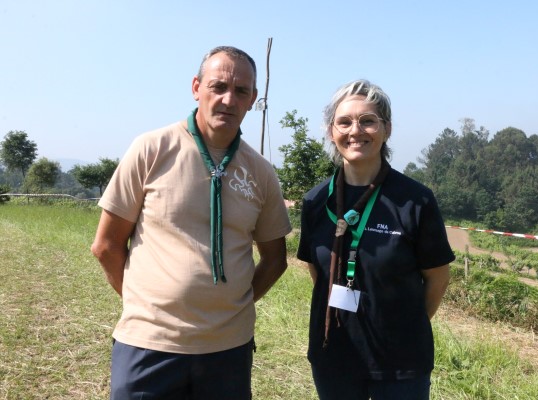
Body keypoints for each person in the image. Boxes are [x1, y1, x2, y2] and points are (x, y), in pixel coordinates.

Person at [91, 45, 292, 399]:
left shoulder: (260, 172)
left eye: (241, 91)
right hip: (148, 345)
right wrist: (146, 304)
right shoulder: (151, 149)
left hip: (228, 349)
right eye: (218, 87)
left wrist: (236, 306)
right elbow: (106, 245)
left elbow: (275, 259)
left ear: (253, 99)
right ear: (197, 87)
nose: (229, 99)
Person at [297, 79, 455, 400]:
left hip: (401, 363)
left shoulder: (415, 200)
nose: (355, 130)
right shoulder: (315, 201)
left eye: (367, 120)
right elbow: (319, 271)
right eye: (344, 122)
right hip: (333, 357)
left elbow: (437, 278)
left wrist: (404, 326)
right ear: (331, 132)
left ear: (387, 129)